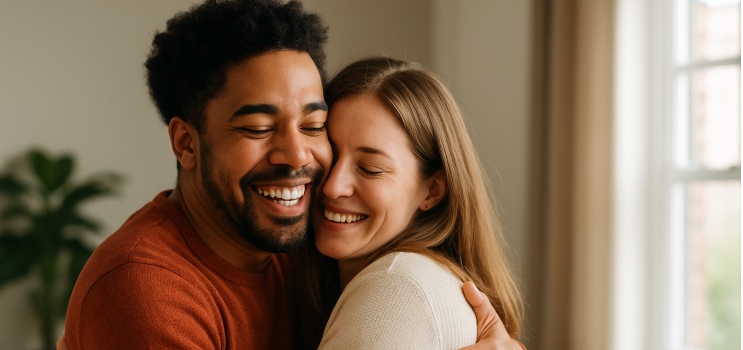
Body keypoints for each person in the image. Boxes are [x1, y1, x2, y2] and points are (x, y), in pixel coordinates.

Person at [61, 0, 523, 349]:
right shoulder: (143, 290)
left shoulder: (305, 250)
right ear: (186, 143)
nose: (296, 155)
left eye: (313, 126)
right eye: (259, 128)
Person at [295, 57, 524, 349]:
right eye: (330, 154)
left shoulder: (394, 289)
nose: (332, 186)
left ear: (432, 191)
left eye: (370, 169)